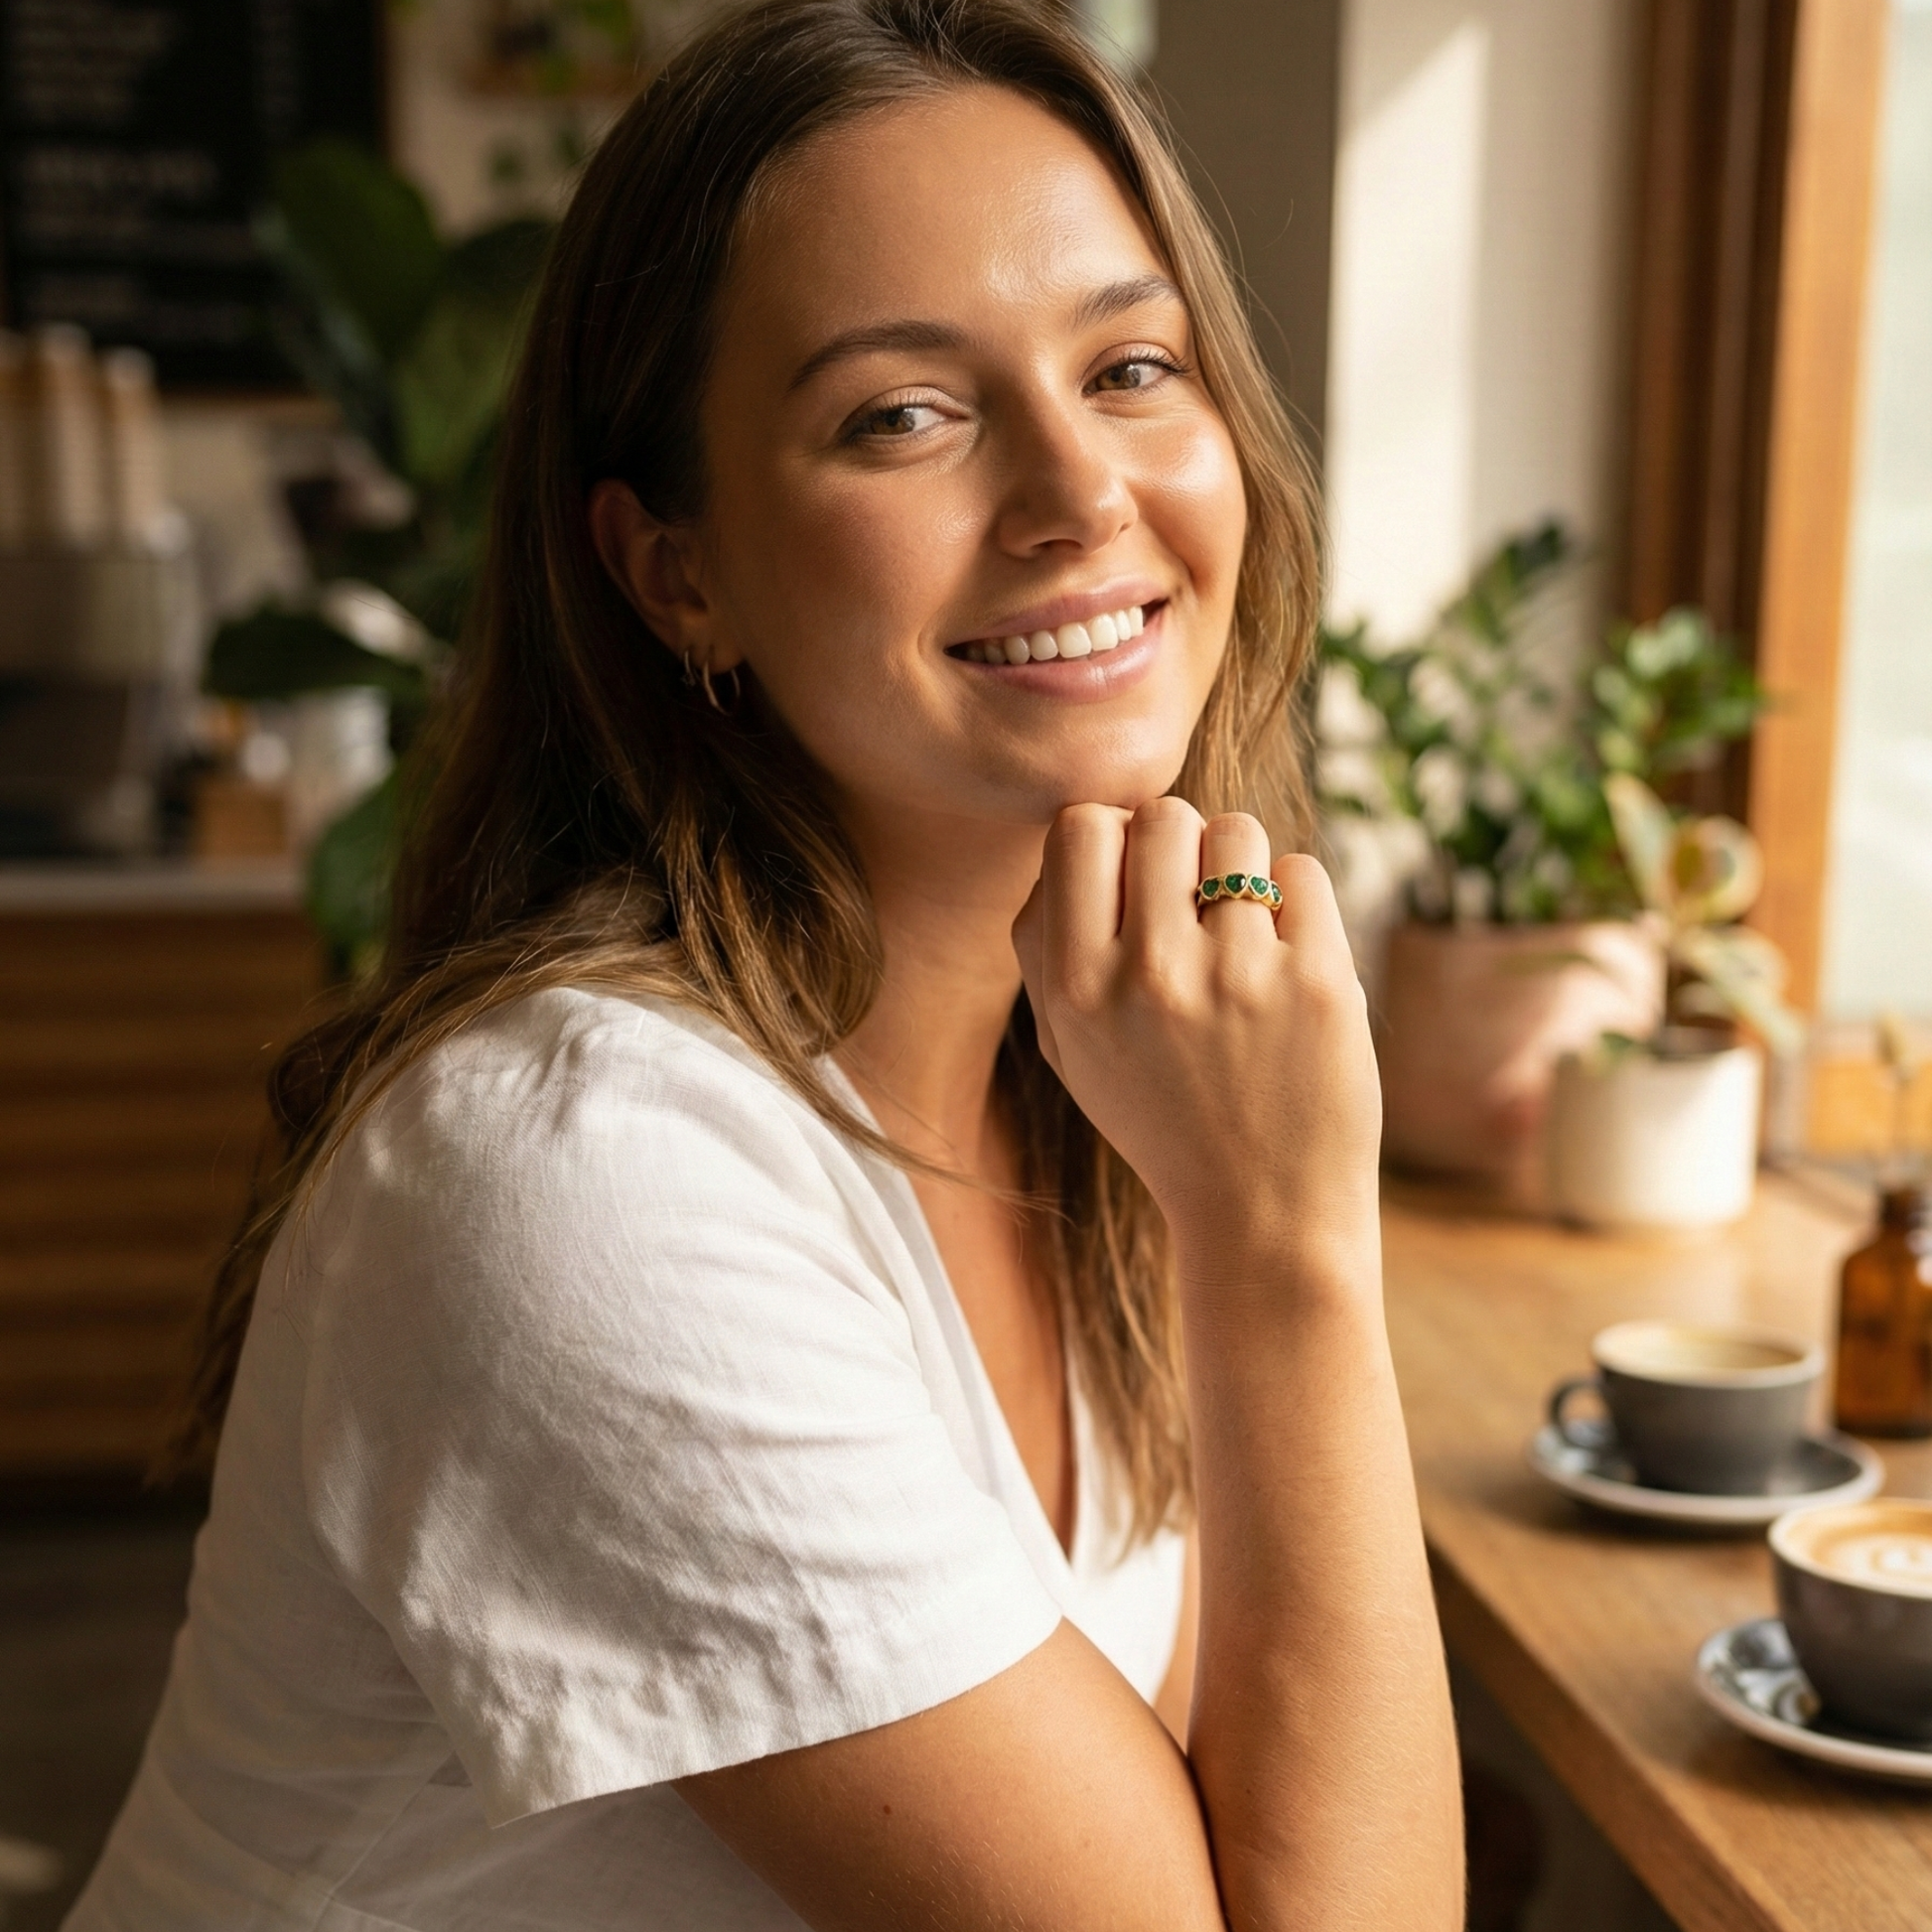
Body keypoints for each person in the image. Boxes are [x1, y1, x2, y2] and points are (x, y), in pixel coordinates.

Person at [68, 2, 1462, 1926]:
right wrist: (1289, 1241)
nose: (1080, 495)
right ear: (676, 572)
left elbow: (1242, 1807)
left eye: (1134, 365)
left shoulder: (1102, 1075)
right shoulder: (581, 1174)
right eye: (903, 412)